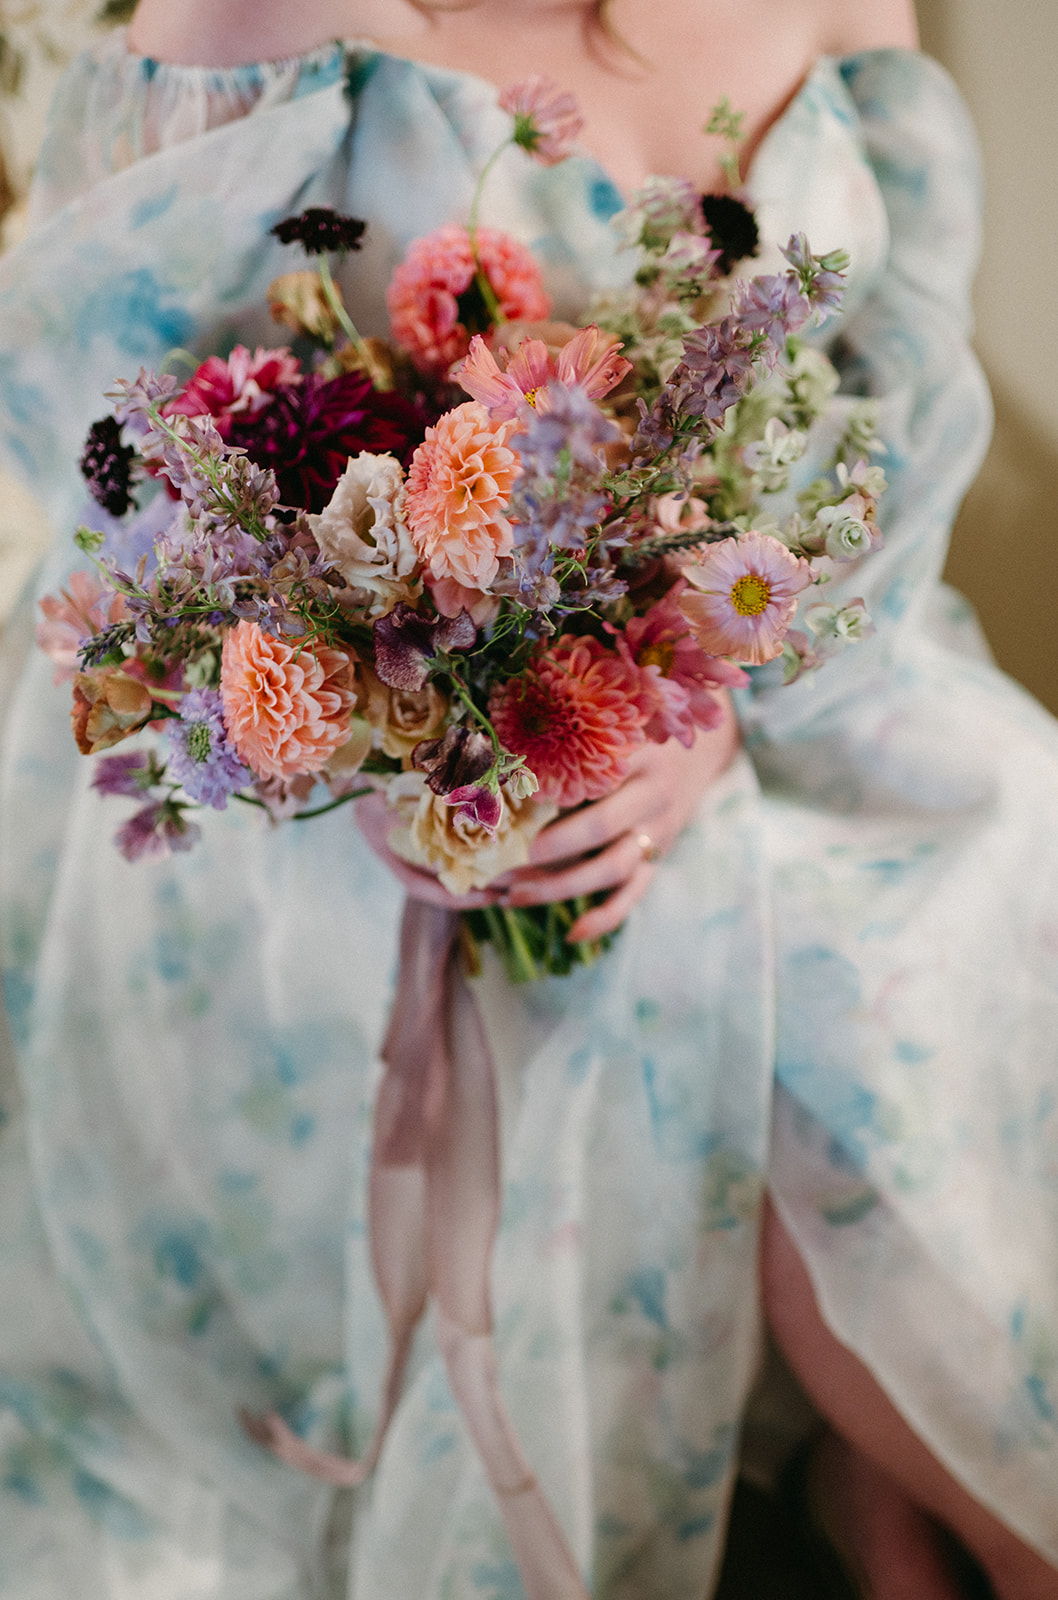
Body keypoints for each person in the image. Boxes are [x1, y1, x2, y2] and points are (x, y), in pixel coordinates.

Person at [0, 0, 1056, 1595]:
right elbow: (109, 454)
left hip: (801, 714)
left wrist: (710, 702)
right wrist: (373, 725)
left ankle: (908, 1492)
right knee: (717, 991)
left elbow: (889, 419)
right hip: (330, 817)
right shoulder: (259, 10)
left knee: (961, 953)